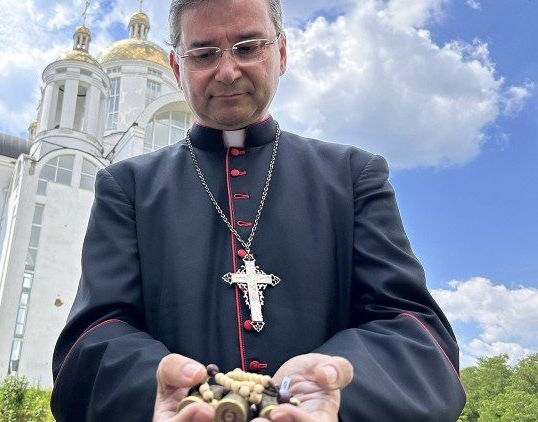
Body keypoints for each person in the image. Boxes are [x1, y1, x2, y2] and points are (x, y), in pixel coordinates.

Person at [51, 0, 466, 420]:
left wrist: (329, 386)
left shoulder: (352, 176)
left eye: (248, 47)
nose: (228, 70)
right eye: (204, 53)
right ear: (178, 69)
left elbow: (417, 335)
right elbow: (91, 341)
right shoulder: (128, 188)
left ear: (281, 54)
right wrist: (158, 385)